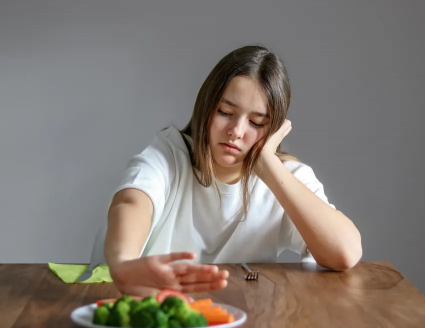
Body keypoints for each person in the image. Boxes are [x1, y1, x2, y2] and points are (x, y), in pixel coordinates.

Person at [104, 45, 362, 297]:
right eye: (225, 112)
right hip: (155, 306)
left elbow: (345, 252)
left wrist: (268, 166)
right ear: (206, 106)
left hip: (244, 319)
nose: (236, 131)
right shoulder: (169, 152)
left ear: (273, 129)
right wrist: (123, 263)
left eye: (256, 122)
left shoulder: (285, 176)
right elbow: (131, 202)